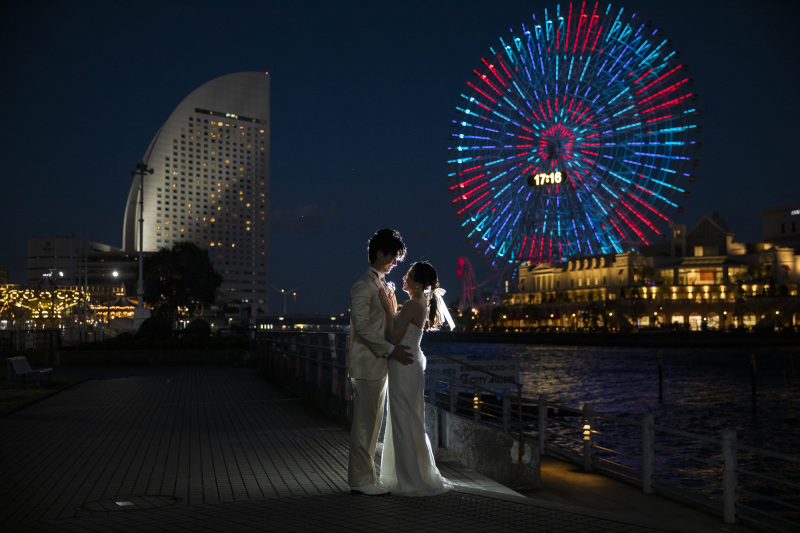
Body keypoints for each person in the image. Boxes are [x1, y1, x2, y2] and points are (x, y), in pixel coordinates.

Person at [378, 261, 454, 496]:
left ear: (418, 283)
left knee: (401, 420)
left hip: (403, 365)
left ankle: (408, 478)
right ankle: (414, 473)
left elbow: (393, 336)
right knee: (411, 419)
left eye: (408, 275)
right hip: (412, 363)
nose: (403, 277)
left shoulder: (412, 304)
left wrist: (389, 307)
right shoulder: (420, 303)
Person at [347, 229, 414, 496]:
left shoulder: (382, 285)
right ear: (379, 254)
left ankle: (366, 478)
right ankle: (360, 482)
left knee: (372, 423)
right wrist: (390, 350)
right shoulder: (363, 286)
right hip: (368, 364)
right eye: (393, 257)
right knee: (364, 426)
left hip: (377, 364)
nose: (396, 263)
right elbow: (362, 327)